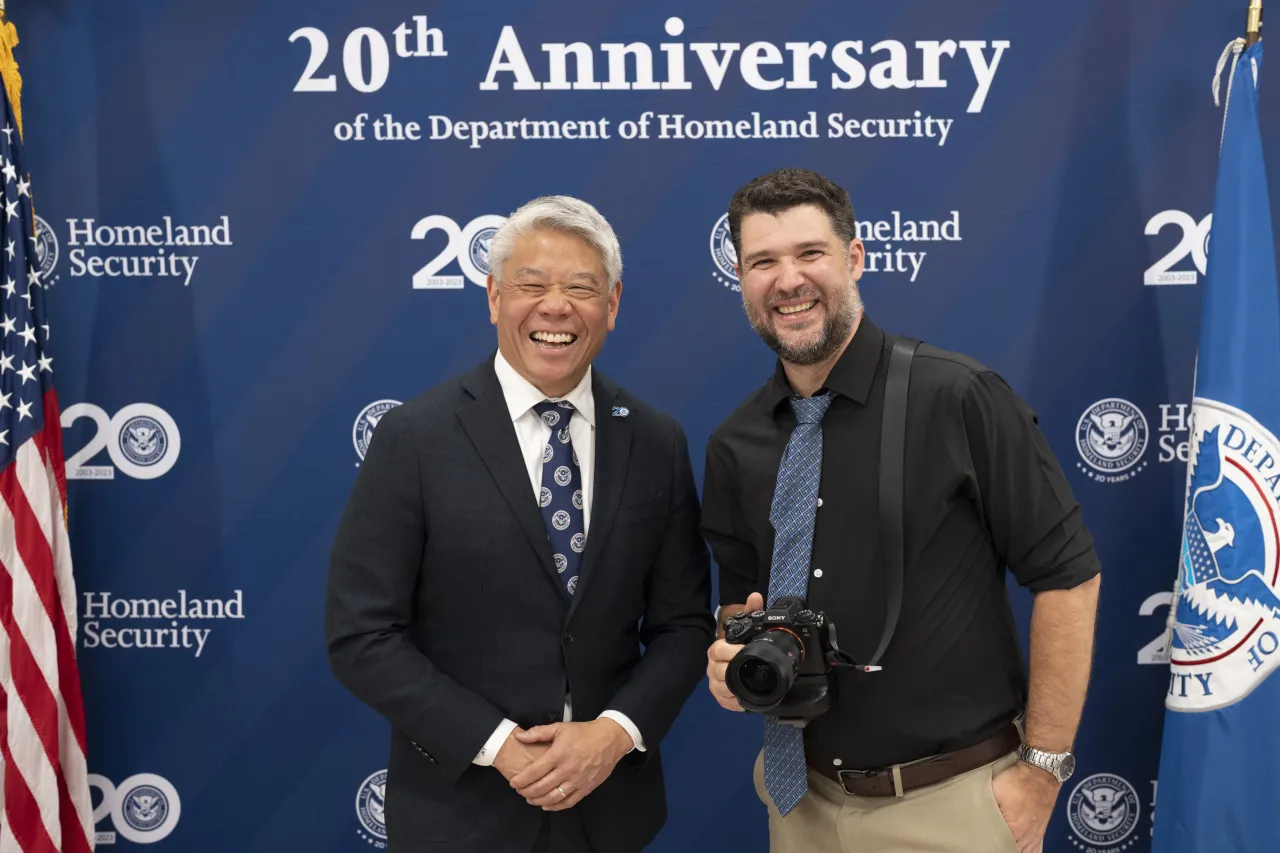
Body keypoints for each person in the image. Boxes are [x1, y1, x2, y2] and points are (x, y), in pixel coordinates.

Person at [702, 168, 1102, 853]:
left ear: (854, 257)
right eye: (763, 261)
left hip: (955, 807)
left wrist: (1042, 769)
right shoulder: (735, 443)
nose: (788, 280)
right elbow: (741, 605)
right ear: (740, 278)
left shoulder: (960, 397)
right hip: (798, 804)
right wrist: (728, 662)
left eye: (810, 253)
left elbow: (1068, 577)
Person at [326, 195, 714, 853]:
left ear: (612, 304)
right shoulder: (415, 437)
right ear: (494, 297)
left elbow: (682, 626)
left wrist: (613, 731)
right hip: (460, 817)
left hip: (609, 815)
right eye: (531, 285)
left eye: (581, 288)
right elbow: (362, 633)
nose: (555, 306)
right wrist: (498, 743)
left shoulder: (655, 440)